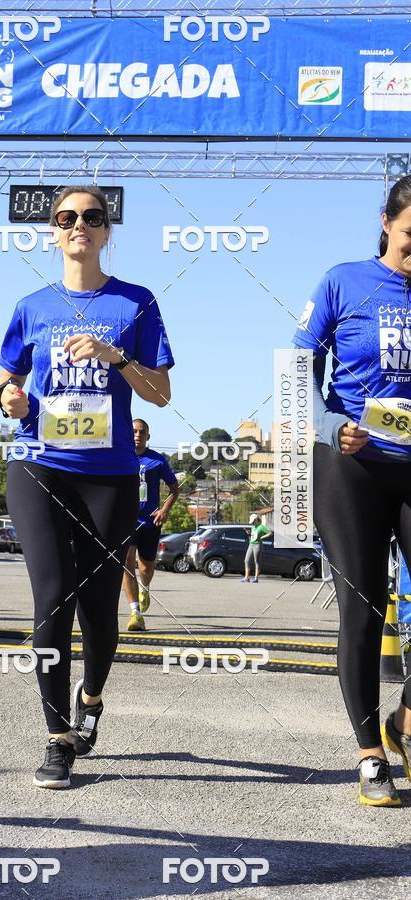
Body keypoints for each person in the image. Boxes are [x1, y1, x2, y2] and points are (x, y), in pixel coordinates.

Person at [0, 184, 174, 788]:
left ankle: (90, 698)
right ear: (53, 232)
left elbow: (160, 393)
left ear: (106, 232)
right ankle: (57, 737)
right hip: (38, 462)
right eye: (67, 218)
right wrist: (10, 399)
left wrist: (115, 356)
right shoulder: (31, 306)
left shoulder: (136, 302)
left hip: (109, 473)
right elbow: (6, 380)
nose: (79, 227)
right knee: (53, 594)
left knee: (98, 606)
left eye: (92, 218)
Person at [292, 174, 411, 807]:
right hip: (352, 464)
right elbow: (298, 366)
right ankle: (370, 755)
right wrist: (329, 424)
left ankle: (404, 721)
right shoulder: (344, 280)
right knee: (362, 608)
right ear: (386, 223)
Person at [123, 418, 179, 631]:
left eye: (142, 432)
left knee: (145, 568)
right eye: (134, 431)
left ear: (148, 436)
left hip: (150, 521)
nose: (137, 435)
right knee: (127, 563)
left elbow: (175, 489)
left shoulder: (157, 460)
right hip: (126, 520)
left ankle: (145, 587)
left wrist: (164, 510)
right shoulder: (120, 456)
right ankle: (135, 613)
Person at [241, 514, 272, 583]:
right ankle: (246, 578)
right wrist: (249, 534)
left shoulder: (261, 527)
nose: (252, 523)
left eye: (253, 521)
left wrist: (262, 537)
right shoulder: (253, 527)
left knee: (256, 561)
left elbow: (270, 533)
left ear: (256, 520)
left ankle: (256, 578)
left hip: (257, 545)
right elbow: (253, 536)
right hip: (251, 544)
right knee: (246, 560)